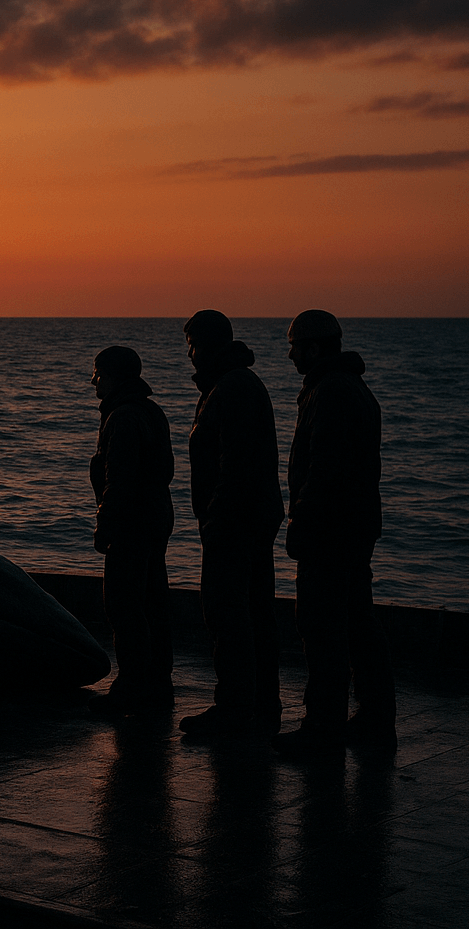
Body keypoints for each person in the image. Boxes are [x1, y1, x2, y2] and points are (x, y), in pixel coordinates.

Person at [273, 310, 396, 759]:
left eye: (293, 346)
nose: (289, 355)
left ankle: (324, 724)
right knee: (358, 624)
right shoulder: (351, 388)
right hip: (354, 529)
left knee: (322, 626)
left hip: (331, 532)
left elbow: (323, 470)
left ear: (313, 348)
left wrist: (301, 521)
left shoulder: (331, 392)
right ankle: (373, 718)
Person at [177, 310, 286, 739]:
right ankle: (259, 703)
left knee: (229, 613)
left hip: (235, 522)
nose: (189, 355)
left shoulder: (233, 388)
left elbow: (235, 465)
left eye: (192, 345)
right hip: (247, 519)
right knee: (253, 611)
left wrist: (217, 517)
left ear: (207, 344)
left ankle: (236, 707)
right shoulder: (232, 385)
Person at [88, 345, 175, 715]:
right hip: (155, 520)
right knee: (153, 602)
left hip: (131, 523)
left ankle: (132, 686)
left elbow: (119, 480)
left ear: (115, 377)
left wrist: (106, 524)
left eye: (99, 373)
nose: (94, 380)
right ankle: (157, 683)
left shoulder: (122, 417)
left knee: (124, 604)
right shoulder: (150, 410)